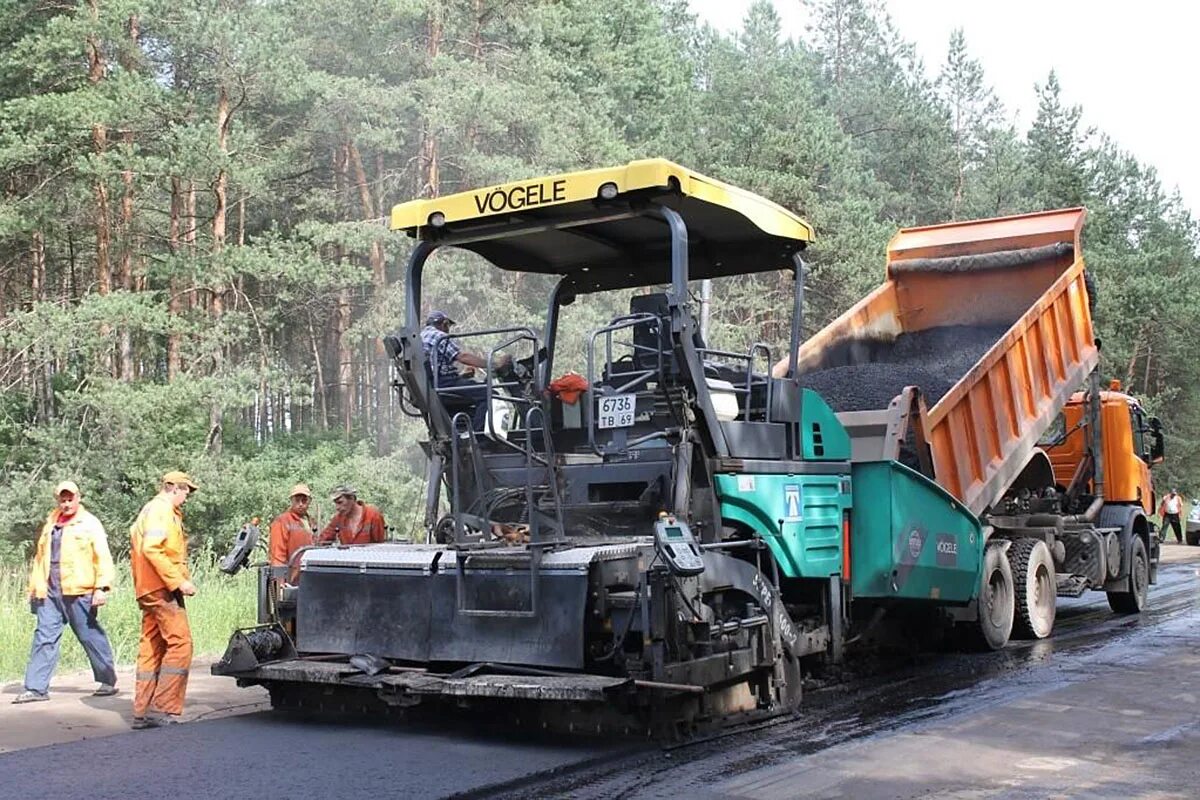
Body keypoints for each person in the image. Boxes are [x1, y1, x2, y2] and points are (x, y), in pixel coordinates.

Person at [13, 481, 118, 704]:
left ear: (78, 498)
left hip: (79, 590)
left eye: (70, 498)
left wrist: (101, 587)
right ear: (57, 500)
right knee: (44, 636)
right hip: (50, 590)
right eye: (63, 499)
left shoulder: (89, 523)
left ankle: (107, 680)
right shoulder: (51, 522)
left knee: (89, 634)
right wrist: (35, 588)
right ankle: (36, 688)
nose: (67, 503)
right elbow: (40, 558)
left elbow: (103, 556)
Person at [128, 470, 198, 729]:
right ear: (172, 487)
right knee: (181, 644)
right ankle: (163, 707)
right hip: (161, 588)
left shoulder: (150, 510)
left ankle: (141, 710)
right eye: (185, 491)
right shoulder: (160, 511)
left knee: (151, 648)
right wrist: (178, 581)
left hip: (147, 588)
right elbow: (151, 548)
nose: (187, 496)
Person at [420, 310, 509, 430]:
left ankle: (461, 437)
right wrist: (494, 364)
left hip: (434, 385)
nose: (448, 330)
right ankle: (479, 439)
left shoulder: (421, 337)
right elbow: (462, 357)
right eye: (448, 326)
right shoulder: (438, 335)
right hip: (443, 384)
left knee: (467, 408)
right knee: (489, 394)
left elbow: (433, 369)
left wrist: (462, 376)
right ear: (444, 324)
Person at [268, 483, 315, 576]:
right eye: (297, 500)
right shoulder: (282, 521)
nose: (300, 504)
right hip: (290, 578)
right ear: (291, 500)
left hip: (307, 576)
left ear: (309, 501)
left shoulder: (311, 522)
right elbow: (277, 556)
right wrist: (280, 585)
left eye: (304, 500)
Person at [318, 485, 386, 545]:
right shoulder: (338, 519)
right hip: (347, 558)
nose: (337, 508)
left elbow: (380, 545)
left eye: (340, 502)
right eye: (335, 504)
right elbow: (323, 540)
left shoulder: (373, 515)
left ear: (352, 498)